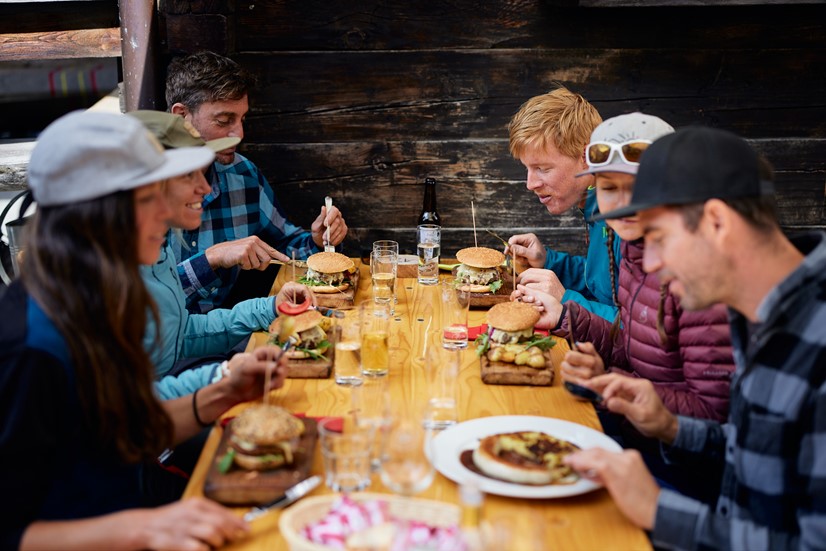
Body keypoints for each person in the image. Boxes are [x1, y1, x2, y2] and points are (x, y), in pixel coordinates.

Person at [0, 111, 288, 550]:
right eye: (149, 195)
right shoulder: (30, 344)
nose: (167, 213)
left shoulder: (95, 301)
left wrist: (225, 392)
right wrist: (144, 528)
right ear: (99, 211)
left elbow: (121, 429)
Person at [563, 127, 826, 549]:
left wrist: (659, 511)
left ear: (717, 222)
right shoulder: (761, 317)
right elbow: (751, 457)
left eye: (659, 239)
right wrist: (670, 427)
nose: (650, 262)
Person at [515, 113, 735, 502]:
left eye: (639, 186)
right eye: (609, 188)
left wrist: (619, 385)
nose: (623, 203)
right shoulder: (635, 250)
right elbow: (635, 344)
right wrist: (570, 320)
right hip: (633, 436)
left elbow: (713, 415)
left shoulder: (700, 273)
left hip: (679, 475)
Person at [129, 110, 315, 399]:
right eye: (189, 174)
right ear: (145, 184)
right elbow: (125, 407)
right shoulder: (101, 271)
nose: (205, 187)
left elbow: (181, 335)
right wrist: (222, 384)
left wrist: (268, 309)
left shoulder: (156, 247)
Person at [164, 50, 349, 313]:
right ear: (182, 117)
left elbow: (287, 248)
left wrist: (319, 241)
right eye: (224, 120)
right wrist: (212, 259)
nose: (238, 134)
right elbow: (135, 301)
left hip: (226, 334)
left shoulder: (241, 174)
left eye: (241, 120)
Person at [505, 86, 619, 321]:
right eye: (527, 168)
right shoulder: (597, 203)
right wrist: (548, 261)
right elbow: (604, 285)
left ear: (586, 158)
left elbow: (644, 333)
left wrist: (566, 300)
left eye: (543, 169)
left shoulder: (629, 218)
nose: (530, 184)